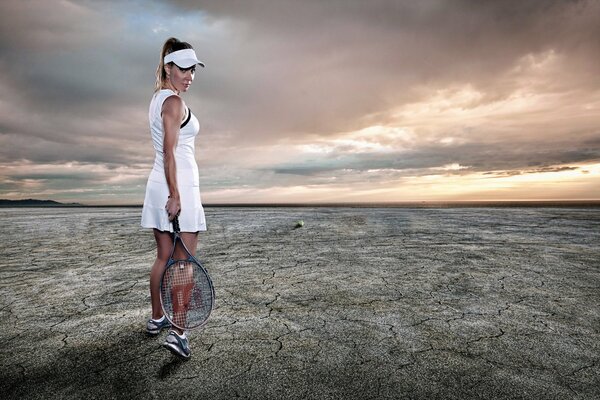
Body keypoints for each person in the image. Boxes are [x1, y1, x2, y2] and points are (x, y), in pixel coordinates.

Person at [140, 37, 207, 359]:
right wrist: (177, 195)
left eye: (193, 70)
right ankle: (179, 334)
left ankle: (157, 319)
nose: (190, 76)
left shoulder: (159, 99)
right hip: (177, 187)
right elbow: (169, 152)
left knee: (164, 257)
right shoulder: (174, 103)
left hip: (159, 186)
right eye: (183, 69)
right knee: (183, 264)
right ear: (168, 68)